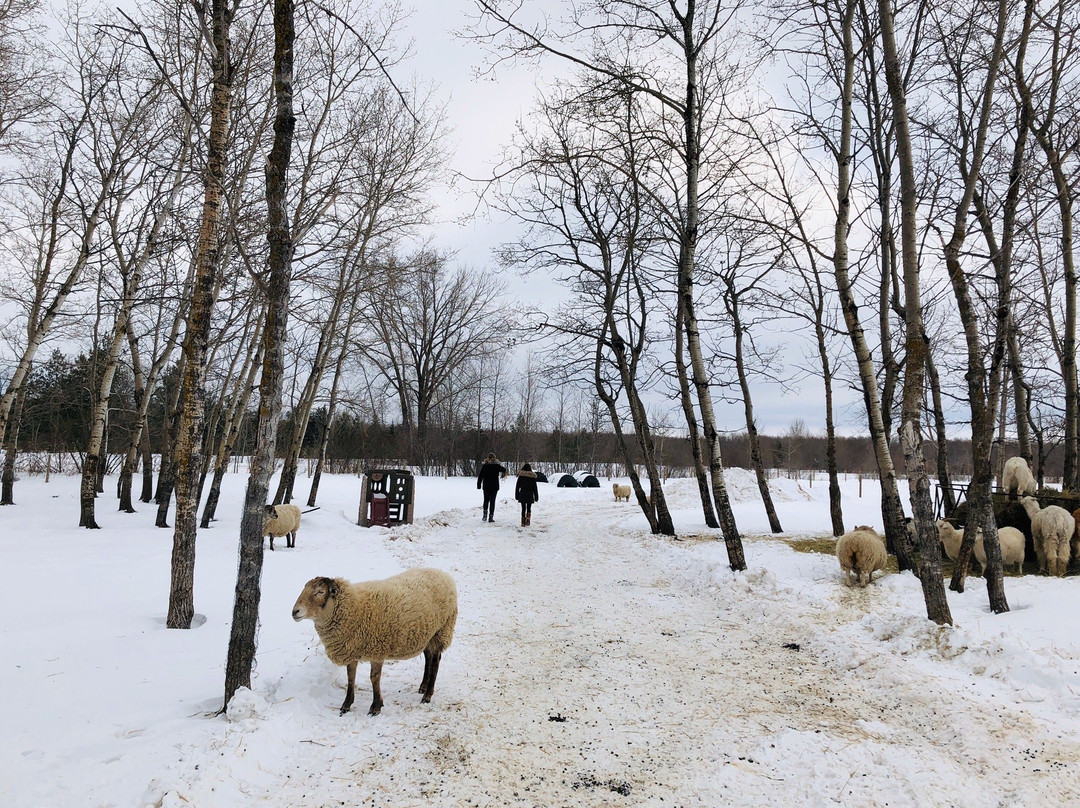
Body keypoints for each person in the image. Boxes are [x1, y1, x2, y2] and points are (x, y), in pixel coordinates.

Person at [476, 452, 508, 521]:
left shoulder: (485, 466)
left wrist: (479, 485)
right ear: (494, 458)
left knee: (486, 500)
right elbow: (504, 470)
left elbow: (480, 476)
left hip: (486, 486)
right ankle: (491, 517)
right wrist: (499, 465)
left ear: (488, 458)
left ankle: (484, 515)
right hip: (494, 486)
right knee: (492, 501)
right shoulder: (497, 466)